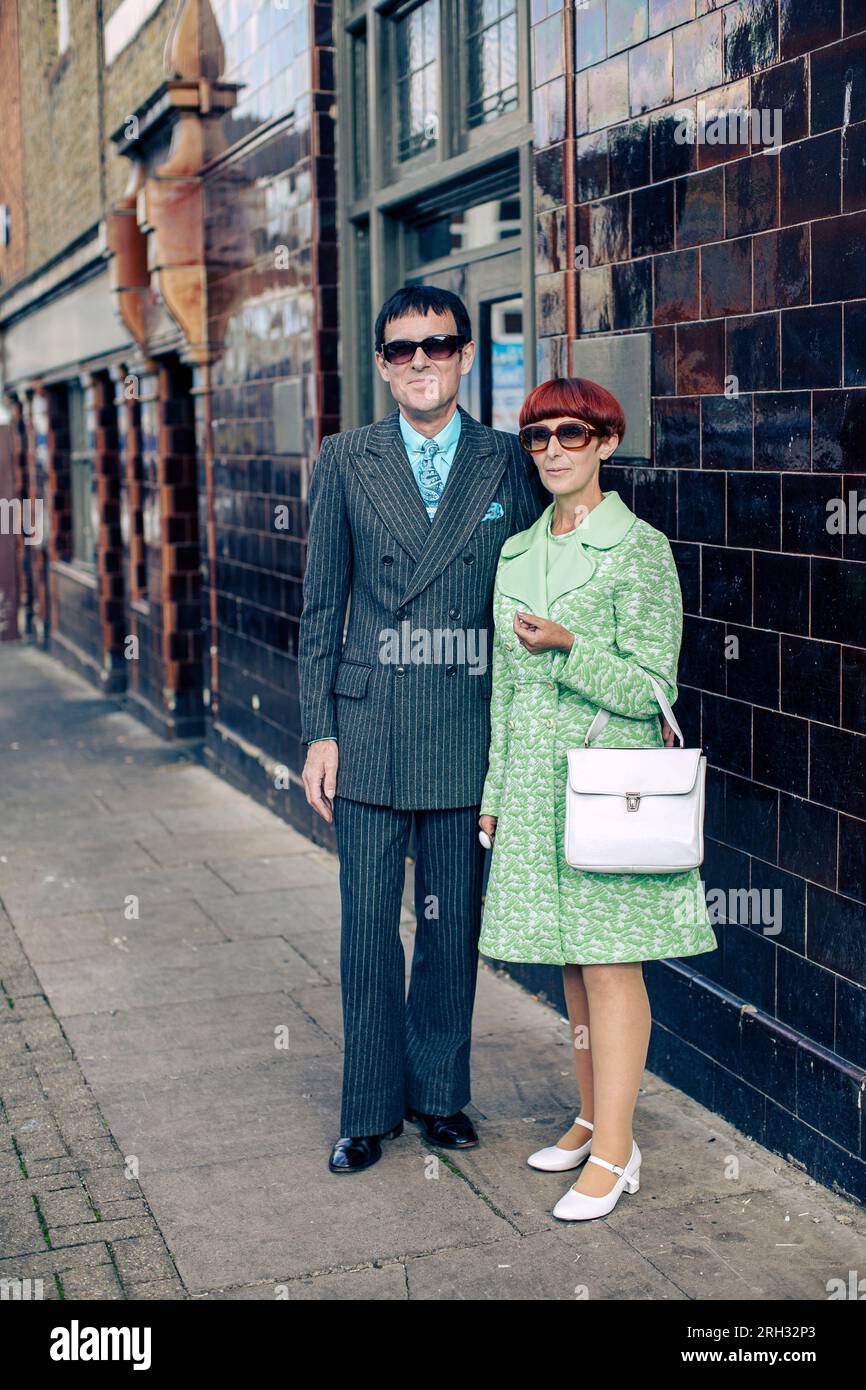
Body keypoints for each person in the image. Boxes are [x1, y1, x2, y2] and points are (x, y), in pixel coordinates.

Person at [298, 284, 548, 1172]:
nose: (420, 362)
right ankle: (367, 1109)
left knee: (450, 927)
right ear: (381, 364)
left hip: (463, 733)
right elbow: (322, 606)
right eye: (401, 349)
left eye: (437, 346)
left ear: (466, 354)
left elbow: (534, 590)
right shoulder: (345, 457)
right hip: (366, 733)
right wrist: (316, 732)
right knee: (368, 926)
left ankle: (439, 1095)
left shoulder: (507, 462)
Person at [477, 376, 718, 1221]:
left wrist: (571, 643)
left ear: (607, 443)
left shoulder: (641, 549)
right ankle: (590, 1116)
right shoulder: (515, 552)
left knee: (612, 965)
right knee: (573, 964)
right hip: (537, 790)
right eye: (536, 437)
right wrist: (495, 792)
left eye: (570, 434)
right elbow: (507, 690)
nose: (551, 451)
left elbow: (655, 687)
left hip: (607, 789)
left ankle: (616, 1152)